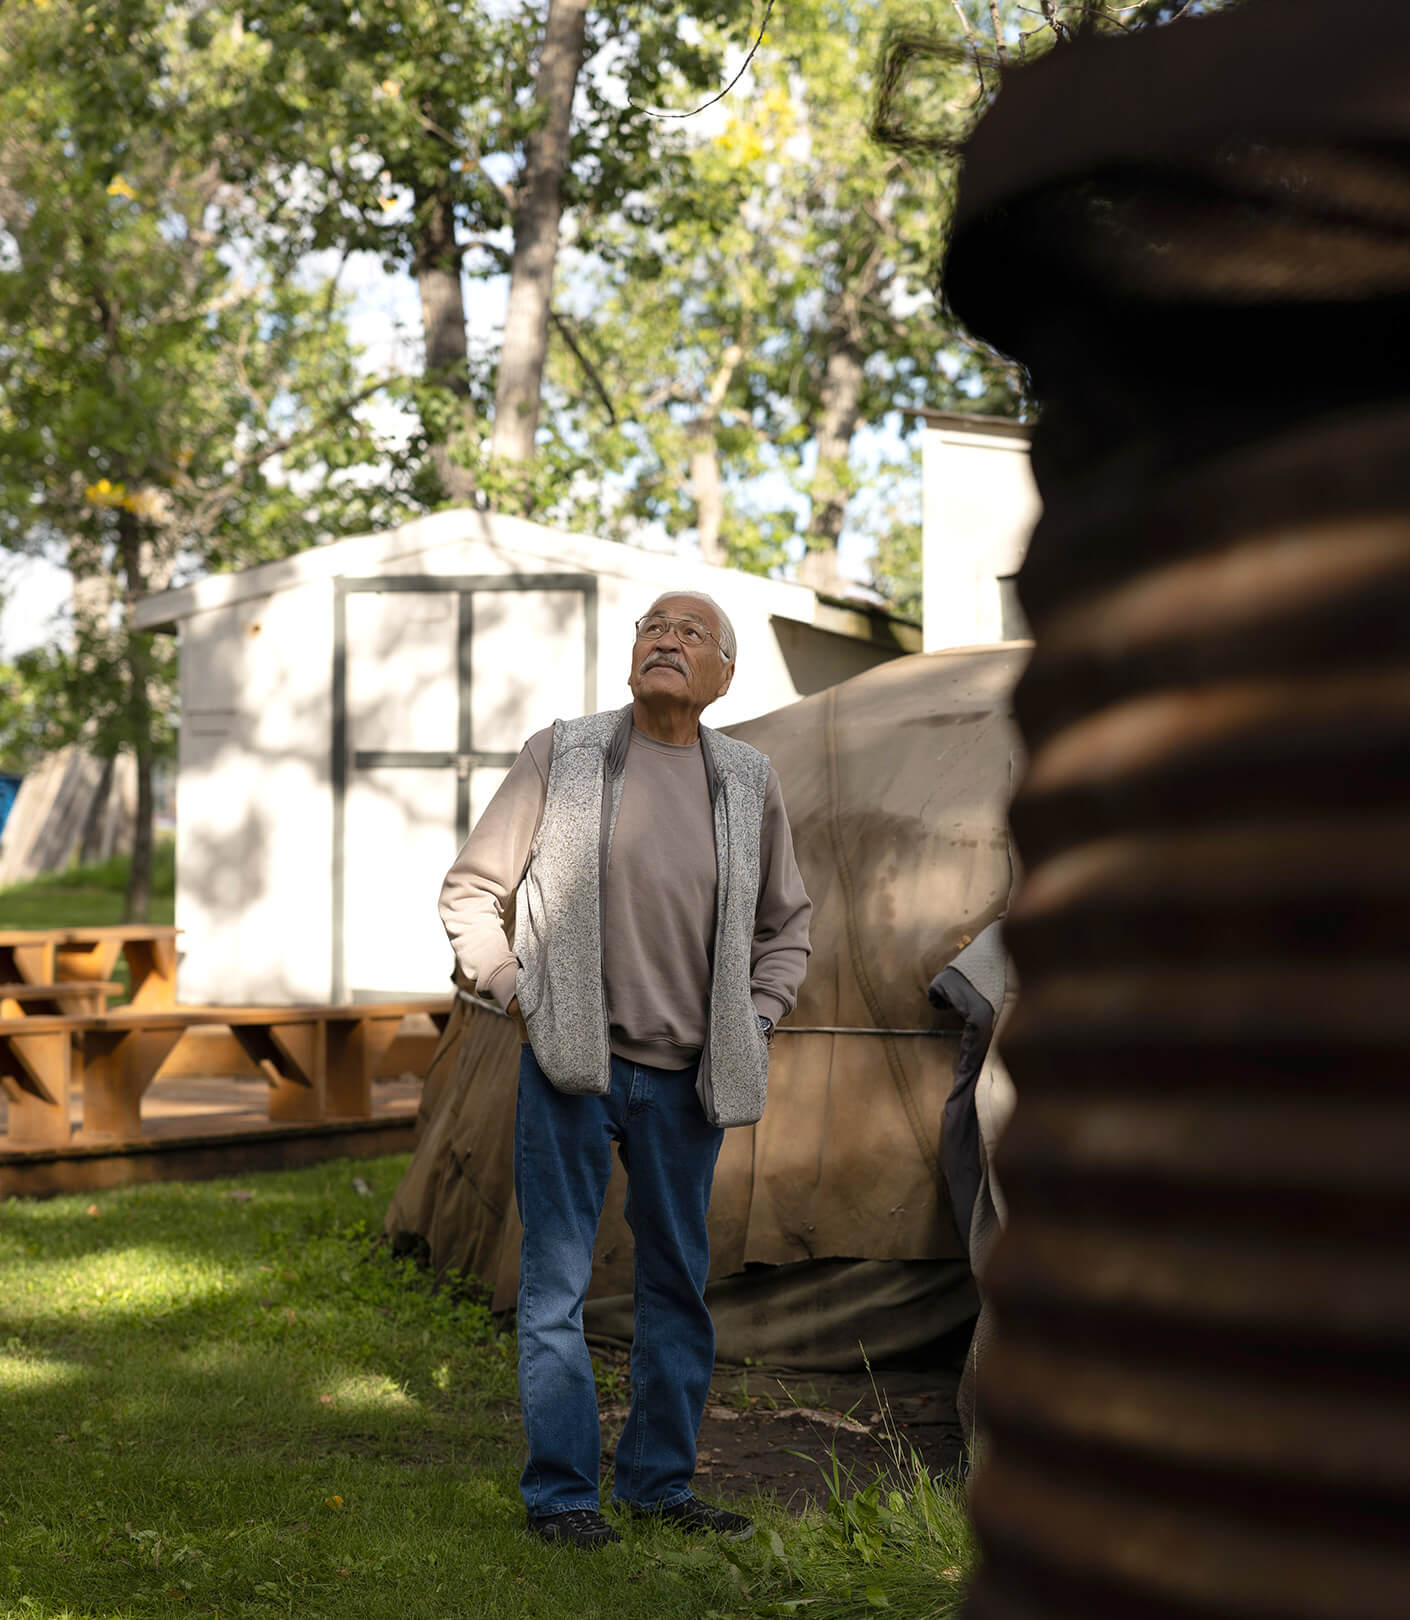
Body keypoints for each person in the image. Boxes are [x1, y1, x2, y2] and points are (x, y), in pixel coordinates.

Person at [439, 591, 812, 1551]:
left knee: (677, 1288)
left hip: (689, 1081)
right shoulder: (560, 755)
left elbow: (786, 927)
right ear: (630, 653)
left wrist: (757, 1019)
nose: (667, 641)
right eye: (653, 626)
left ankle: (658, 1486)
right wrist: (520, 994)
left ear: (724, 675)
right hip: (572, 1066)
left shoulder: (746, 780)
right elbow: (474, 890)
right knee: (554, 1289)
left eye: (692, 633)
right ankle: (562, 1497)